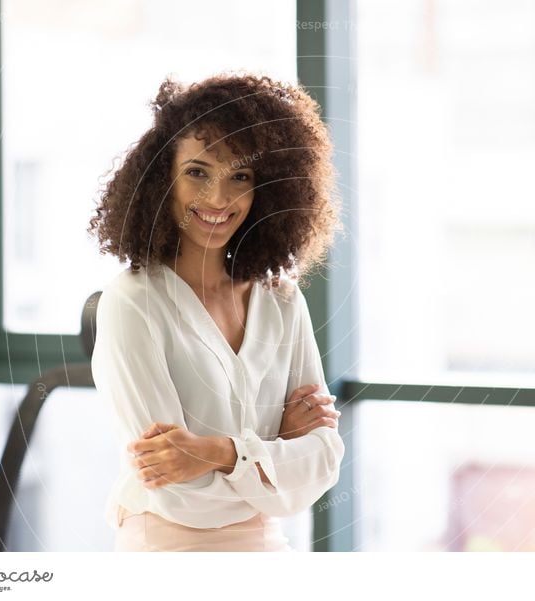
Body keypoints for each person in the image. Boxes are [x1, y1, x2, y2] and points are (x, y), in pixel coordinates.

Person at [87, 72, 345, 551]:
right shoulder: (134, 303)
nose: (219, 199)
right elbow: (176, 492)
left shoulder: (282, 301)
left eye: (240, 177)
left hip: (267, 546)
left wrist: (218, 452)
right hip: (170, 552)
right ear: (161, 178)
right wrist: (273, 456)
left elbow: (324, 462)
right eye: (198, 172)